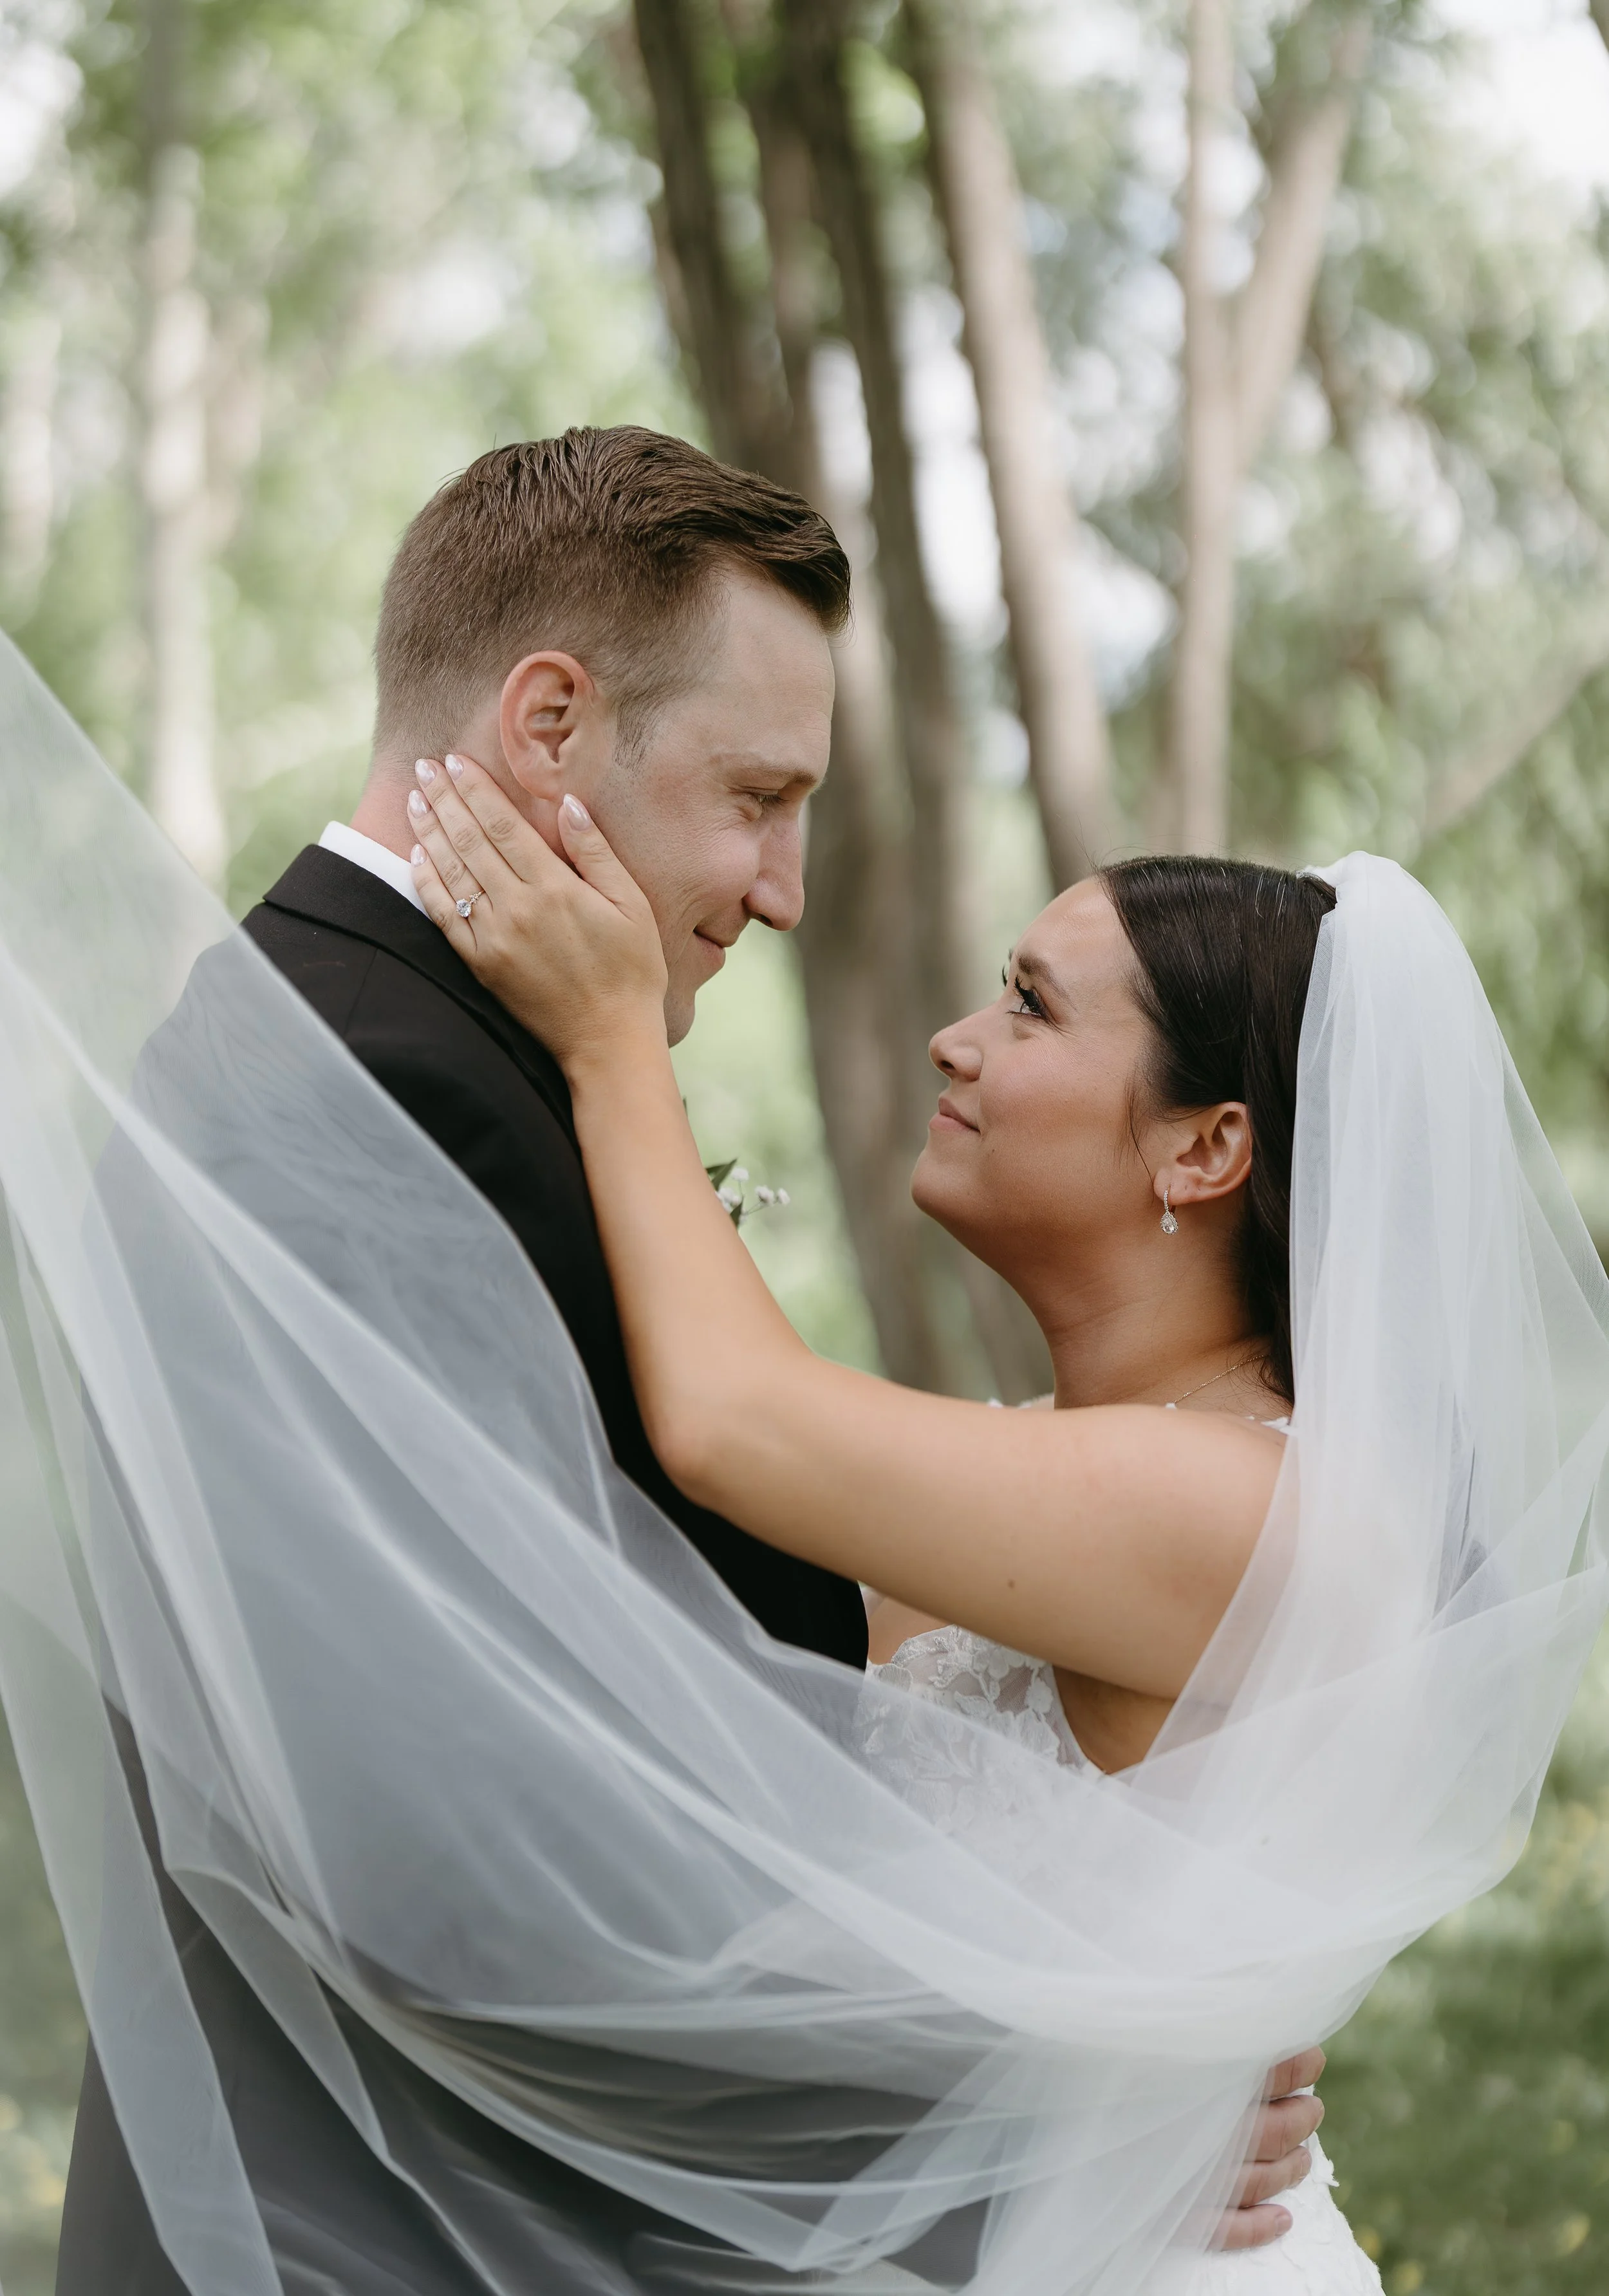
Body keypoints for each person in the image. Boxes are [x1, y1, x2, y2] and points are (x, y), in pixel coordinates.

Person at [50, 427, 1318, 2294]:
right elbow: (441, 1850)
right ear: (547, 725)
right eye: (755, 793)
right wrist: (1072, 2096)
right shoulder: (347, 1091)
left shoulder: (444, 1066)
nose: (785, 884)